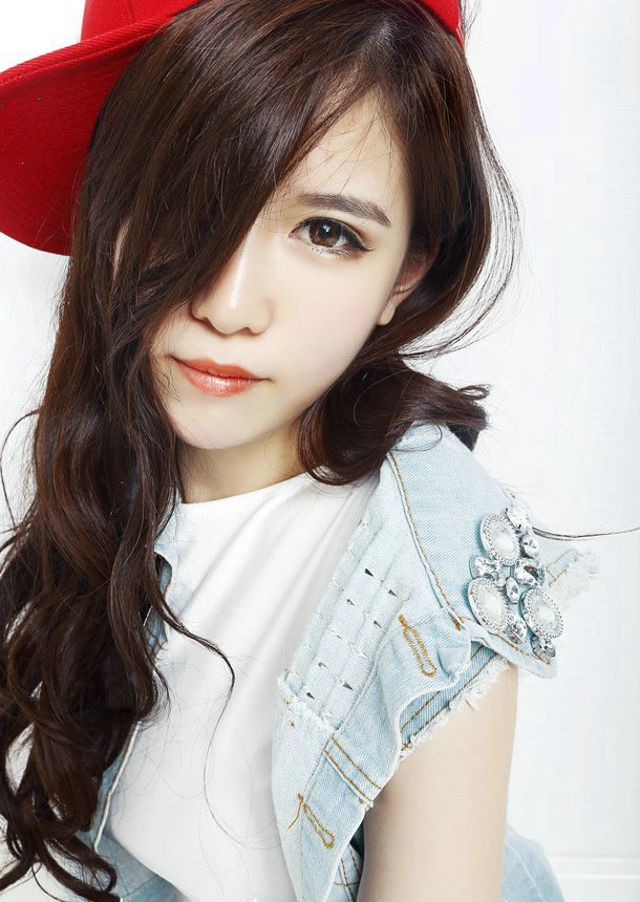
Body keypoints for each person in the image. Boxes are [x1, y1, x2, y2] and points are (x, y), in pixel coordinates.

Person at [0, 0, 600, 900]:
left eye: (328, 233)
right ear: (106, 207)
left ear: (406, 274)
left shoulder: (434, 582)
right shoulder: (121, 470)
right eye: (182, 202)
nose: (230, 304)